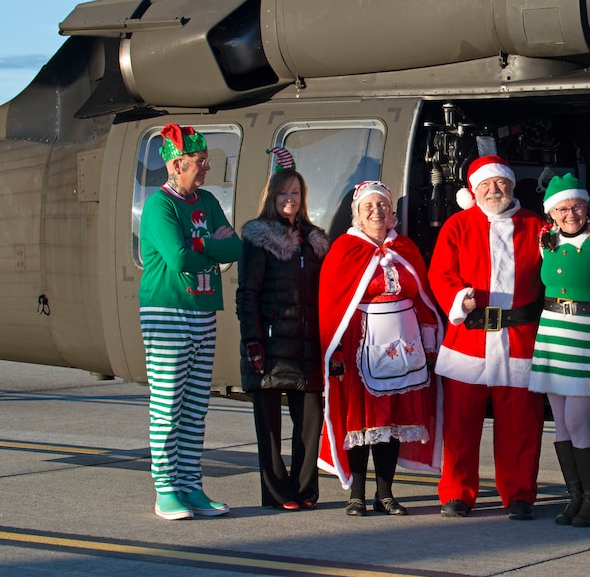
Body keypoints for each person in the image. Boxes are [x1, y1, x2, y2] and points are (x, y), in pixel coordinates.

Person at [429, 155, 546, 520]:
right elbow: (440, 273)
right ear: (473, 190)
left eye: (500, 184)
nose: (494, 190)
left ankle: (519, 493)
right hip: (469, 339)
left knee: (522, 423)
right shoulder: (458, 225)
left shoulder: (535, 226)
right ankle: (456, 492)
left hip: (520, 337)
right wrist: (458, 298)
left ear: (511, 186)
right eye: (486, 185)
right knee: (460, 424)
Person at [317, 181, 442, 516]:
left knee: (393, 422)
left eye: (383, 206)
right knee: (362, 423)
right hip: (362, 349)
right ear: (357, 214)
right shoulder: (345, 249)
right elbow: (333, 305)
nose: (377, 212)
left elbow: (422, 295)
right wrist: (336, 352)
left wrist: (429, 341)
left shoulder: (405, 248)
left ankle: (385, 493)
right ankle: (356, 494)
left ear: (392, 213)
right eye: (369, 207)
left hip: (404, 350)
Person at [139, 123, 242, 520]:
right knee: (168, 405)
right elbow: (178, 259)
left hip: (202, 311)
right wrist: (207, 249)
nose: (207, 168)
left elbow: (235, 246)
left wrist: (199, 245)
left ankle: (190, 485)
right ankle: (165, 489)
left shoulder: (208, 201)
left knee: (196, 405)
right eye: (200, 162)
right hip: (167, 311)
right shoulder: (159, 206)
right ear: (176, 165)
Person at [236, 150, 330, 511]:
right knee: (270, 426)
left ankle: (304, 489)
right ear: (272, 198)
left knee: (310, 421)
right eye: (283, 194)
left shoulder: (315, 241)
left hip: (307, 347)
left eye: (295, 193)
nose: (290, 200)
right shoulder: (258, 239)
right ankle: (277, 493)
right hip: (272, 344)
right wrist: (253, 340)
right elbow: (248, 294)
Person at [528, 173, 590, 527]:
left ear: (586, 206)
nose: (571, 213)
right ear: (552, 213)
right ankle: (575, 499)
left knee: (577, 421)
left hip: (588, 338)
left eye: (577, 206)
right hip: (552, 336)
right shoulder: (545, 241)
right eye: (563, 208)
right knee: (562, 426)